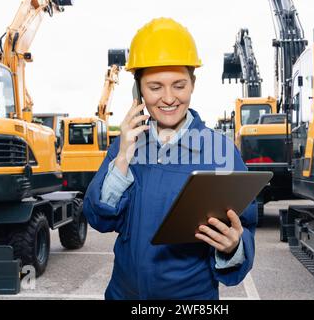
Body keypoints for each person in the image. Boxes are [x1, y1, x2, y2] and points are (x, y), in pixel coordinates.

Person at [83, 17, 257, 300]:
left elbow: (244, 226)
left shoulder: (220, 152)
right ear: (138, 89)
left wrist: (233, 247)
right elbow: (99, 217)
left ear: (193, 84)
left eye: (179, 85)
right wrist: (124, 154)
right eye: (155, 87)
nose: (168, 98)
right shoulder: (126, 144)